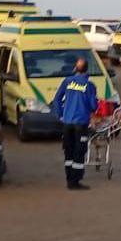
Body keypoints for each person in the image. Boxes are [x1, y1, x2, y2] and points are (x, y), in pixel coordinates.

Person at [50, 58, 99, 191]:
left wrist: (60, 115)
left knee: (68, 150)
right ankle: (75, 181)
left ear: (75, 69)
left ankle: (69, 178)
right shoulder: (89, 86)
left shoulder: (67, 81)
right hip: (80, 124)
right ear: (87, 70)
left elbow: (56, 100)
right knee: (79, 151)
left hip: (67, 123)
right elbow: (93, 106)